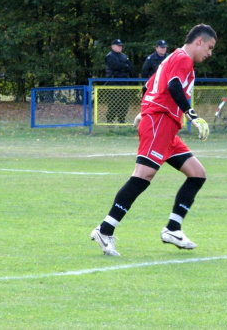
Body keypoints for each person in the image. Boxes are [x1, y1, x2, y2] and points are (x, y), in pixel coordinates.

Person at [91, 24, 216, 256]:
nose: (209, 53)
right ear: (199, 41)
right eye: (209, 47)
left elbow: (150, 84)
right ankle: (105, 230)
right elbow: (173, 85)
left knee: (197, 174)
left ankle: (173, 228)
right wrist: (192, 114)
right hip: (160, 122)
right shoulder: (183, 59)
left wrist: (143, 109)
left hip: (166, 127)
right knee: (143, 175)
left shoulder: (172, 58)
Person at [105, 38, 134, 123]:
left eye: (121, 46)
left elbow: (131, 67)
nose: (120, 47)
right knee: (113, 102)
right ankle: (110, 120)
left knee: (124, 102)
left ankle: (122, 119)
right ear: (113, 46)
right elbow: (117, 66)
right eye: (118, 46)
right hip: (113, 82)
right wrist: (125, 66)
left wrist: (125, 66)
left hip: (124, 82)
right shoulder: (109, 56)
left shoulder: (124, 56)